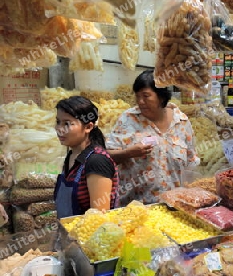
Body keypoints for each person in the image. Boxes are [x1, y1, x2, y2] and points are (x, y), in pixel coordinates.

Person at [107, 70, 199, 205]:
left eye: (146, 96)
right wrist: (128, 153)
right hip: (136, 207)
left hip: (175, 206)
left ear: (161, 97)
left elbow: (191, 163)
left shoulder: (181, 122)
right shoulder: (128, 119)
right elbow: (106, 156)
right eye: (137, 96)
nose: (140, 101)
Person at [54, 96, 119, 219]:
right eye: (58, 122)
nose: (59, 129)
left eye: (67, 124)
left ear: (88, 127)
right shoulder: (72, 154)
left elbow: (99, 217)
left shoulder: (97, 161)